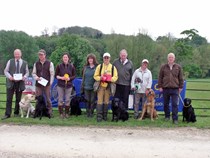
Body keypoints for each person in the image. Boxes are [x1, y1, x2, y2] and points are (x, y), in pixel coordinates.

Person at [2, 49, 29, 120]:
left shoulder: (24, 62)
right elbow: (5, 71)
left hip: (20, 83)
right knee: (9, 99)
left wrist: (24, 77)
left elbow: (27, 72)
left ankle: (16, 113)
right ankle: (7, 114)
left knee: (18, 99)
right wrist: (10, 77)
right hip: (11, 82)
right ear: (14, 54)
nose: (17, 55)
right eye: (15, 54)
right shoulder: (10, 61)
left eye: (18, 54)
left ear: (21, 54)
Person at [158, 52, 184, 124]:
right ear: (167, 58)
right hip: (165, 88)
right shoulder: (163, 67)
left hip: (175, 88)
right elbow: (160, 77)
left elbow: (181, 78)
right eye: (169, 57)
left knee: (175, 104)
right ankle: (167, 116)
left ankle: (175, 119)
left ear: (174, 58)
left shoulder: (178, 67)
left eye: (172, 57)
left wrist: (181, 87)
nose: (171, 59)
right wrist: (160, 86)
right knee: (166, 104)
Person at [94, 52, 118, 122]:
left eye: (107, 58)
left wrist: (110, 79)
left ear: (110, 59)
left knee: (106, 102)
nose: (106, 59)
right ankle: (99, 117)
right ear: (103, 58)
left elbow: (116, 77)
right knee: (99, 101)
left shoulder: (113, 67)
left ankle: (105, 116)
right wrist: (100, 78)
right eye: (105, 58)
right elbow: (95, 76)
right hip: (101, 86)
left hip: (108, 87)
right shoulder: (99, 66)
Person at [32, 49, 55, 117]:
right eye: (39, 55)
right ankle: (37, 111)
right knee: (38, 98)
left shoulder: (50, 63)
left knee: (48, 98)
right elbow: (33, 73)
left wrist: (50, 82)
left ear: (45, 55)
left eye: (42, 54)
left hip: (47, 84)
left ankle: (50, 111)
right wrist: (36, 78)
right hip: (38, 84)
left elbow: (52, 74)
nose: (40, 56)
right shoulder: (36, 63)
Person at [55, 53, 76, 119]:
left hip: (69, 86)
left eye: (66, 57)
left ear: (68, 58)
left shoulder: (72, 66)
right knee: (60, 100)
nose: (65, 58)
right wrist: (61, 78)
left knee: (67, 100)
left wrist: (69, 78)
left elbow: (74, 75)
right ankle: (61, 113)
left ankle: (67, 113)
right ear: (62, 58)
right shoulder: (59, 66)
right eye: (64, 57)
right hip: (60, 85)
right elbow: (56, 76)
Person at [81, 53, 98, 118]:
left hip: (93, 87)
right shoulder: (85, 67)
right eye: (89, 59)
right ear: (87, 60)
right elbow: (83, 76)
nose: (90, 60)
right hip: (86, 87)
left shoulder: (97, 67)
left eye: (91, 59)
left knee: (92, 101)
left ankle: (91, 113)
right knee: (87, 100)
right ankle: (87, 112)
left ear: (94, 59)